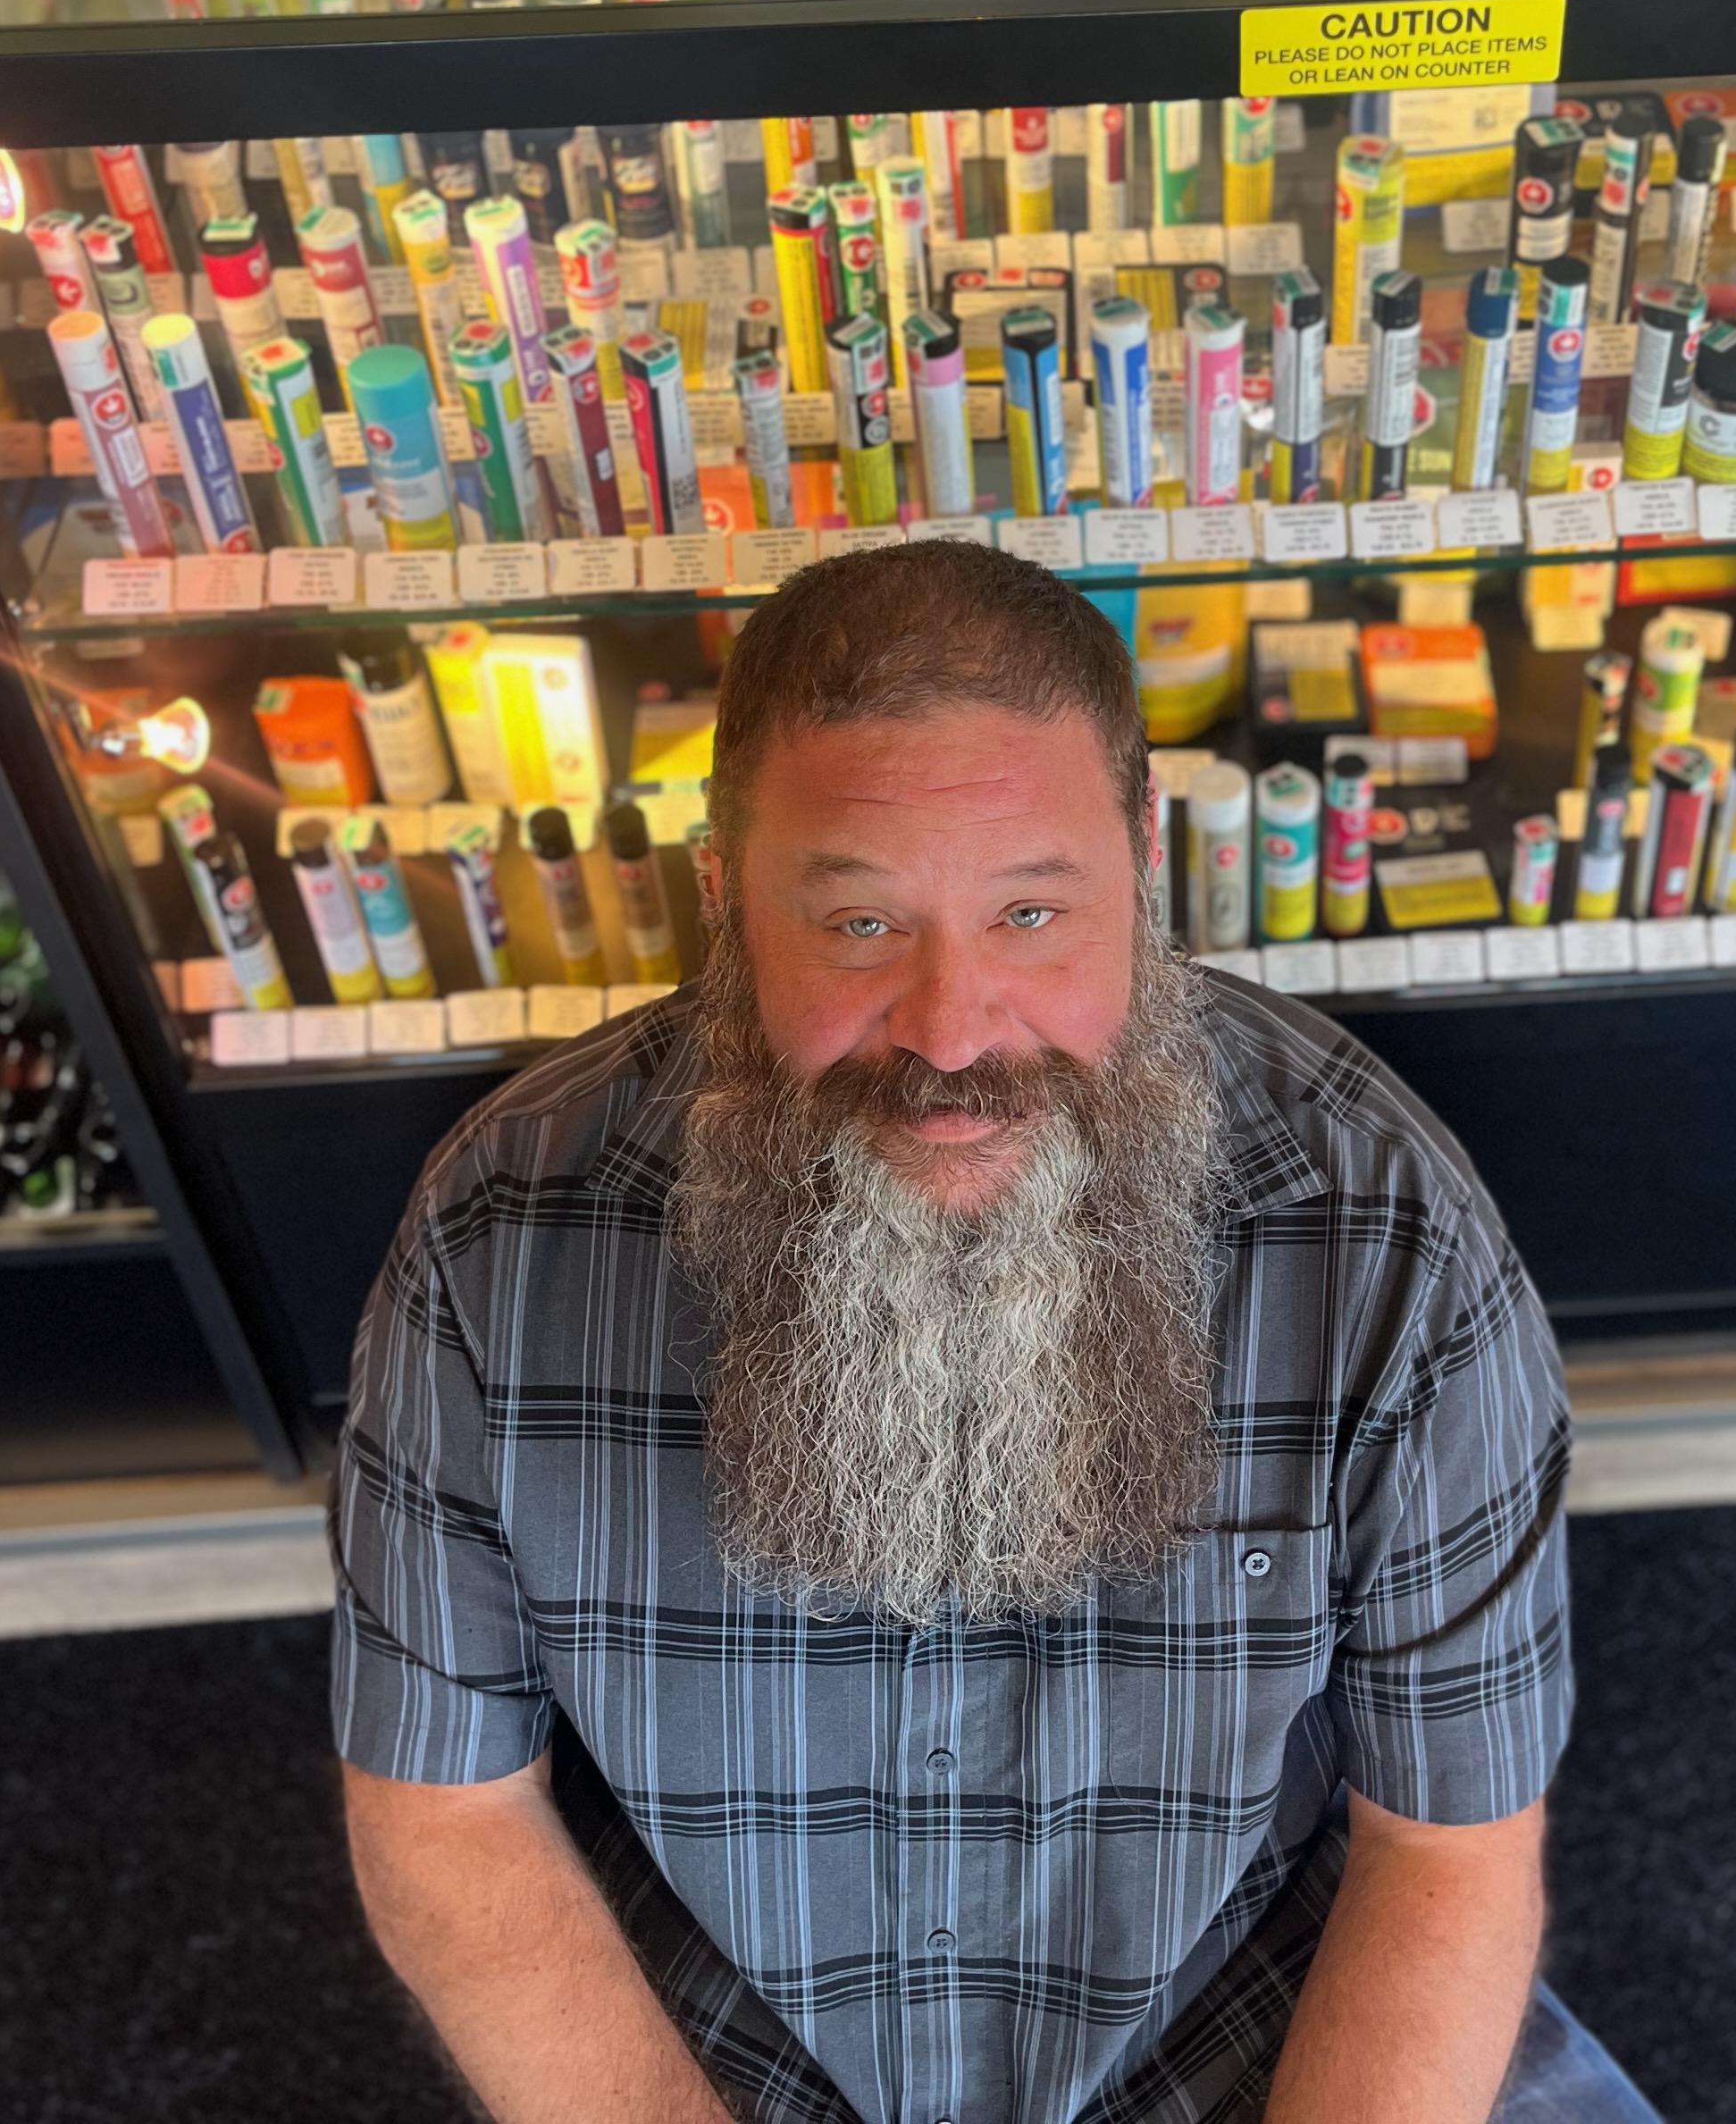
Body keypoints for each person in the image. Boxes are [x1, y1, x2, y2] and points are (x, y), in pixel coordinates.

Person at [331, 538, 1657, 2121]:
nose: (954, 1034)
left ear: (1141, 860)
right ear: (722, 892)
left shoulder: (1383, 1229)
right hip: (725, 2056)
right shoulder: (499, 1236)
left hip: (1254, 2022)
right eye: (860, 927)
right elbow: (447, 1823)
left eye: (1031, 912)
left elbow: (1446, 1844)